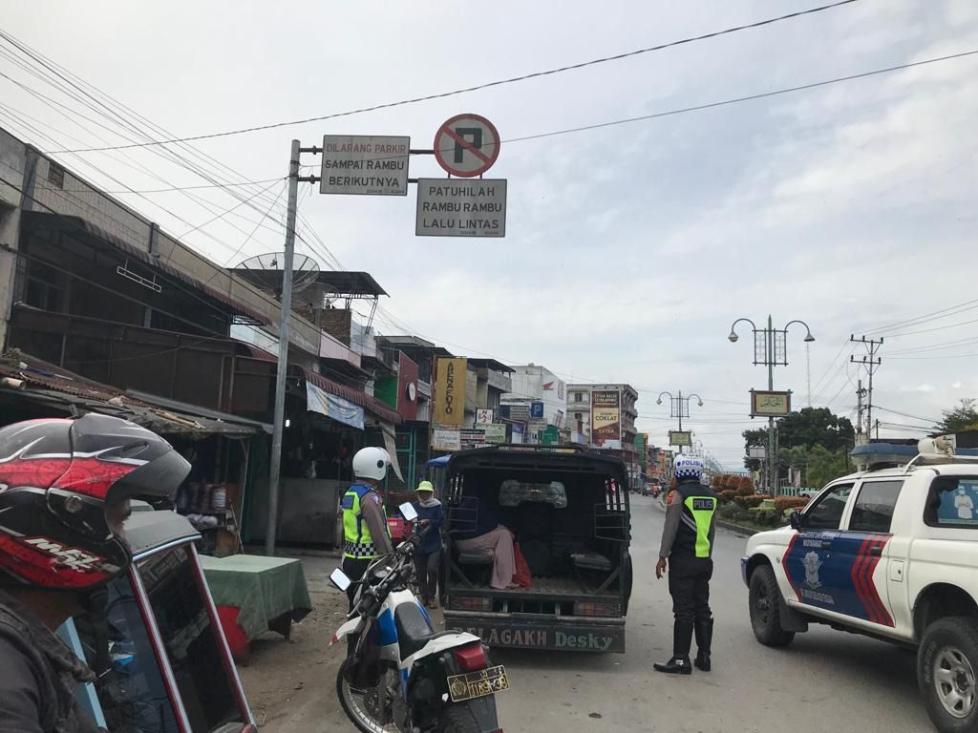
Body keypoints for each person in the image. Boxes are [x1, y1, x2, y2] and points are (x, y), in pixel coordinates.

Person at [0, 413, 191, 732]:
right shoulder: (7, 679)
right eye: (119, 522)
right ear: (61, 529)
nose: (124, 541)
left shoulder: (27, 648)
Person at [653, 455, 718, 675]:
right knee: (702, 607)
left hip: (682, 561)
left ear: (679, 473)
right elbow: (711, 531)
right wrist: (706, 556)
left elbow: (670, 529)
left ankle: (681, 660)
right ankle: (704, 657)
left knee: (683, 610)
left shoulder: (678, 496)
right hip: (703, 560)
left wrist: (662, 556)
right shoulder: (711, 496)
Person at [340, 446, 395, 609]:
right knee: (371, 608)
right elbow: (378, 531)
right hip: (368, 563)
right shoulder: (369, 497)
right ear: (375, 467)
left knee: (355, 606)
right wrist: (390, 557)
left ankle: (354, 635)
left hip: (350, 559)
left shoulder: (351, 493)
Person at [454, 501, 518, 590]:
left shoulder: (461, 505)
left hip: (460, 544)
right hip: (473, 542)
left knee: (496, 545)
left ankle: (498, 580)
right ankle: (504, 581)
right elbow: (491, 524)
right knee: (505, 535)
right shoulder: (480, 505)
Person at [411, 481, 444, 608]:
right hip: (419, 544)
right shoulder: (415, 506)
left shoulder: (437, 506)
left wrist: (429, 521)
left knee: (432, 569)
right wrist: (413, 520)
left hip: (433, 544)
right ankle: (424, 597)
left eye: (426, 492)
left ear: (431, 493)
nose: (424, 495)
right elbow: (408, 517)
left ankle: (431, 596)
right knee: (420, 572)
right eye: (422, 492)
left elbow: (440, 521)